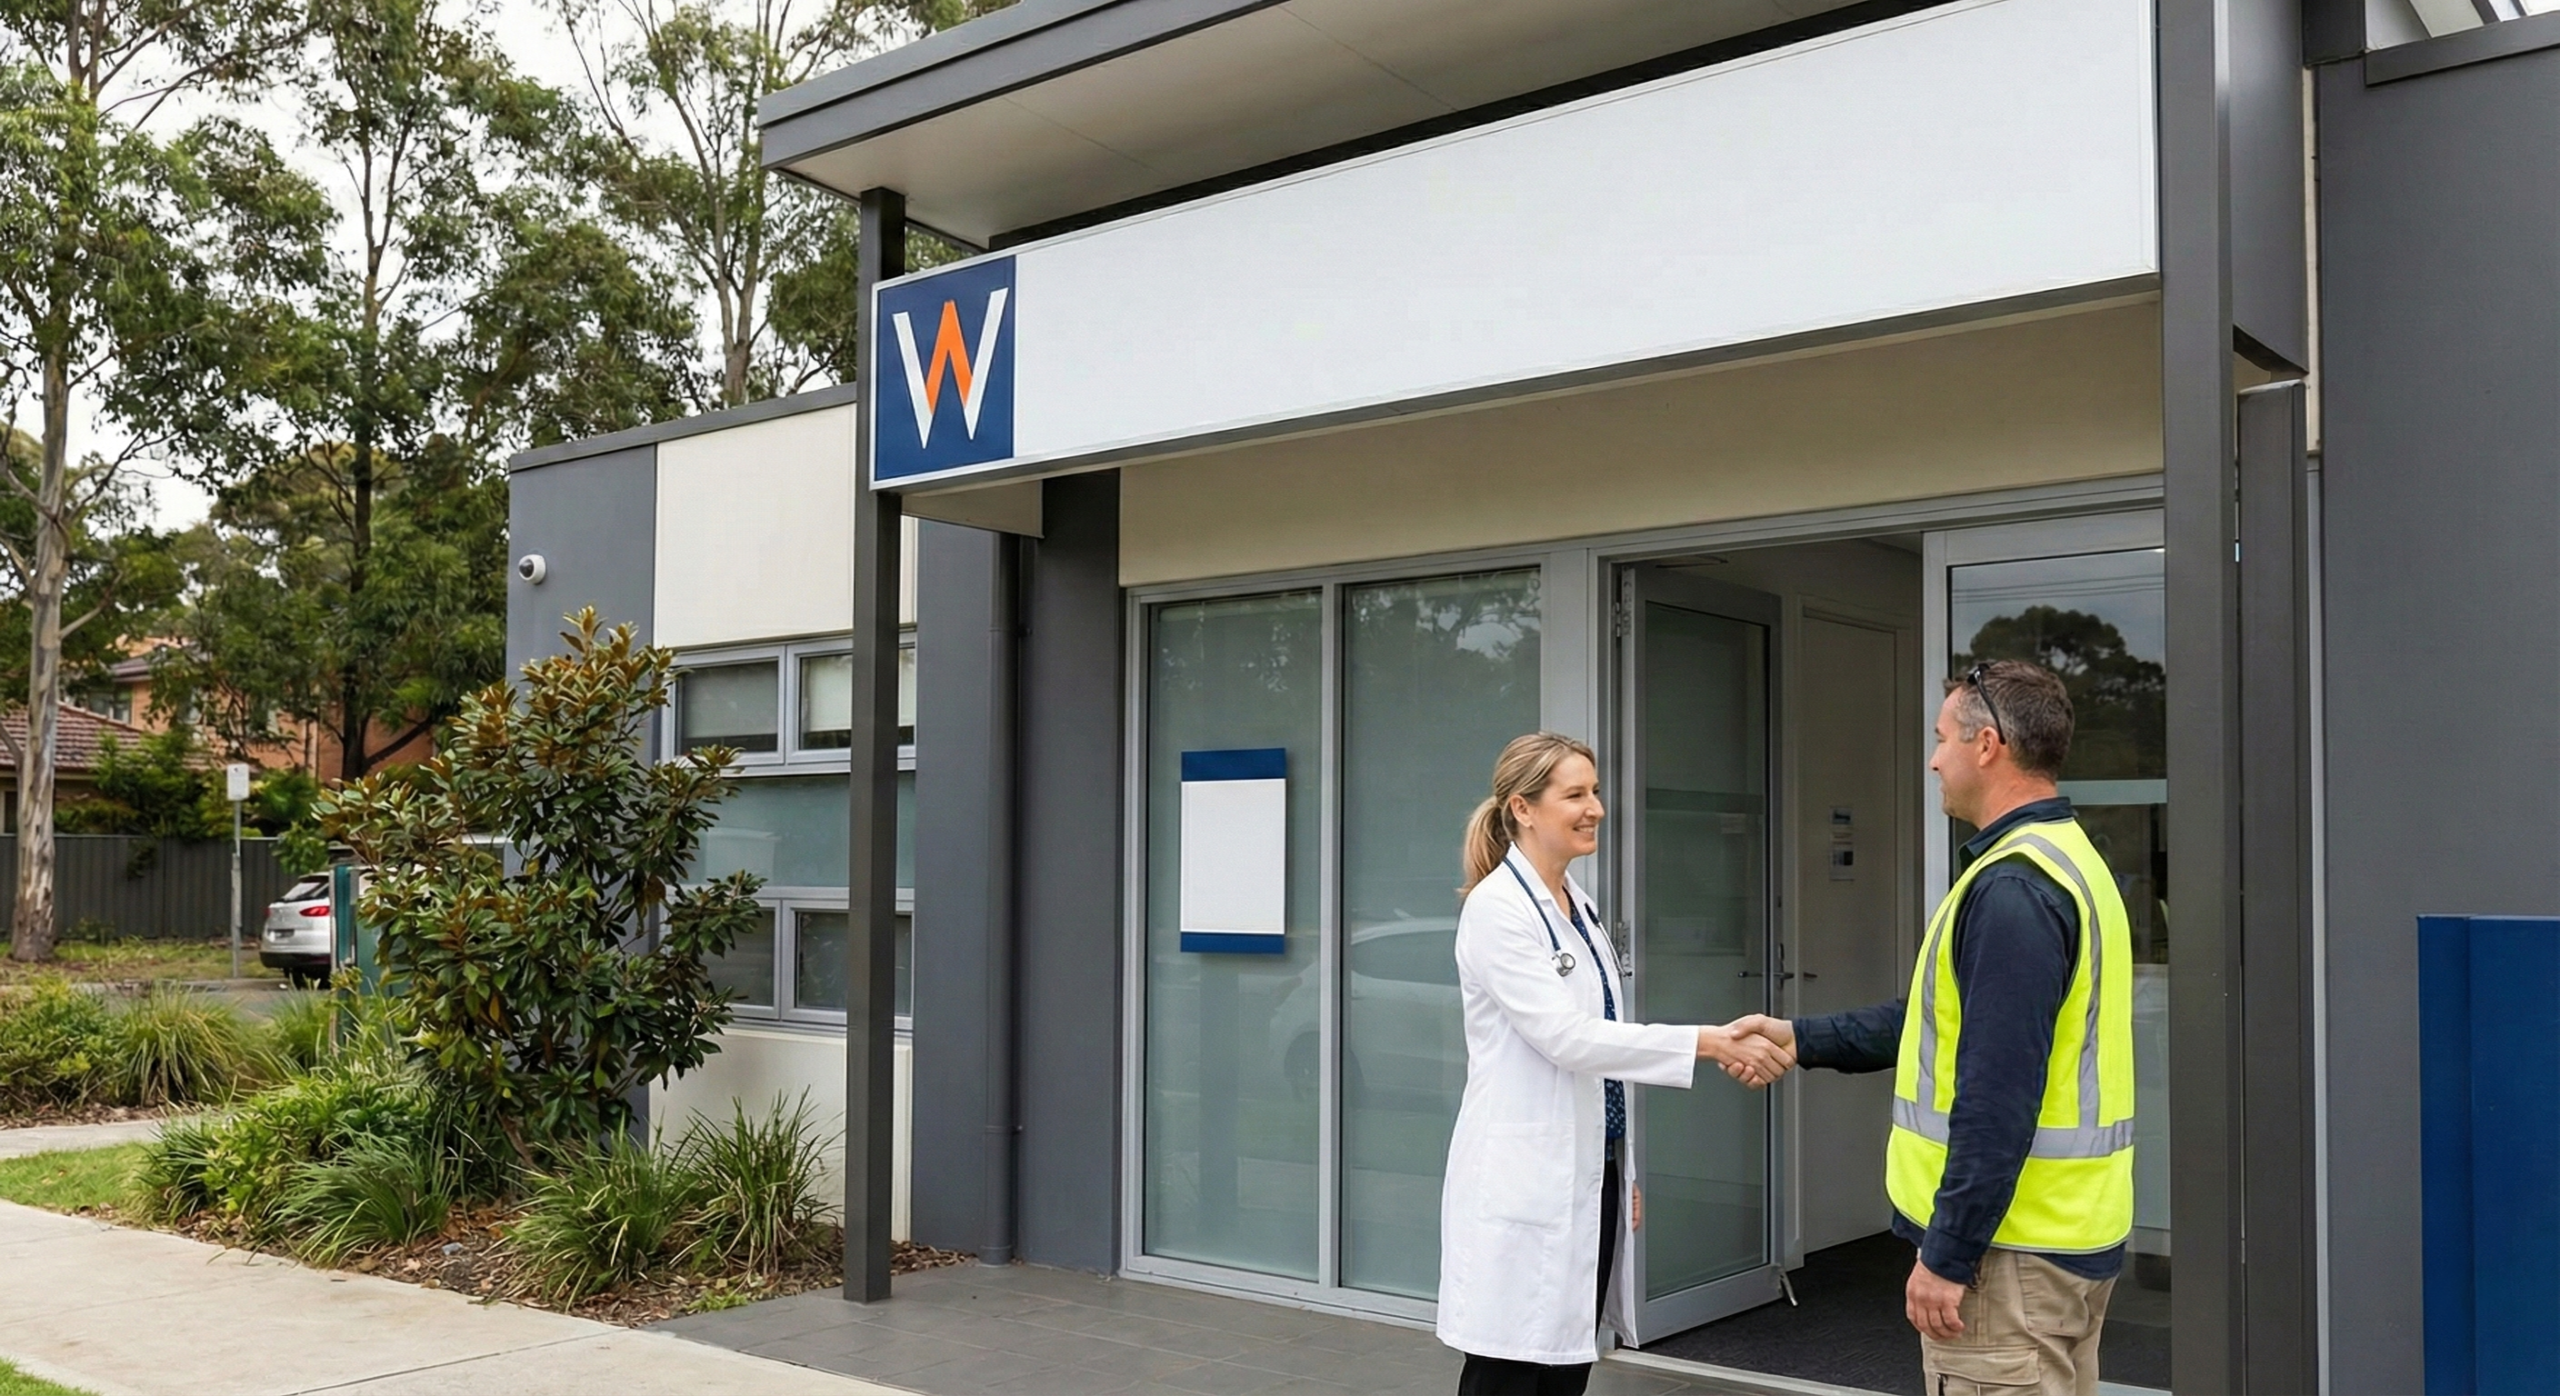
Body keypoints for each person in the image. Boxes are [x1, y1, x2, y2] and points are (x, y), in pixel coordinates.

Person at [1734, 659, 2135, 1396]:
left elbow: (1998, 1095)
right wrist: (1800, 1037)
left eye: (1943, 737)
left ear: (1989, 747)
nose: (1934, 757)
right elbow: (1934, 1023)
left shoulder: (2015, 886)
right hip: (2064, 1244)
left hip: (2007, 1261)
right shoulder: (2069, 859)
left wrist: (1949, 1255)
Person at [1438, 731, 1793, 1396]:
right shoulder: (1498, 911)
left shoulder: (1580, 906)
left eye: (1594, 791)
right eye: (1575, 794)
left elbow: (1603, 1043)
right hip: (1523, 1177)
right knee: (1508, 1368)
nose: (1595, 807)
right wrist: (1707, 1042)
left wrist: (1616, 1158)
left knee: (1568, 1362)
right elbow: (1568, 1039)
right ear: (1523, 807)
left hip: (1587, 1172)